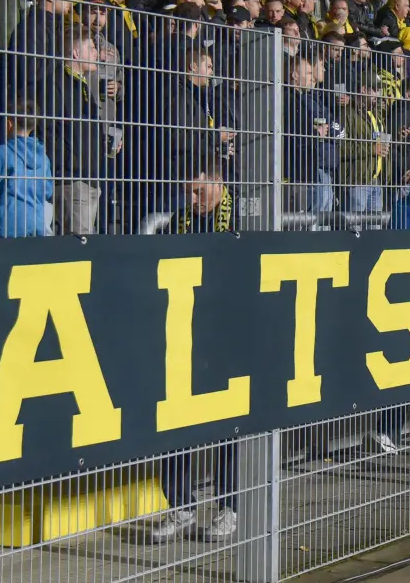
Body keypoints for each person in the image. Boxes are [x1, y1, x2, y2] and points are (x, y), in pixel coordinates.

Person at [151, 171, 239, 543]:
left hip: (224, 329)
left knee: (227, 423)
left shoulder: (241, 216)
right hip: (185, 328)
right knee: (175, 416)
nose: (193, 199)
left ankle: (229, 507)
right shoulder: (182, 220)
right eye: (188, 192)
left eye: (199, 191)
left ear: (218, 182)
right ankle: (181, 507)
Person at [0, 103, 54, 238]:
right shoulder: (44, 157)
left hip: (10, 224)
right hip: (38, 222)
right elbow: (48, 191)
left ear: (9, 124)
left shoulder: (3, 152)